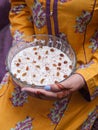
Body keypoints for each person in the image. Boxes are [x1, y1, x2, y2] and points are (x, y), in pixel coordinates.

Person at [0, 0, 98, 129]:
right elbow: (20, 5)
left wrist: (84, 77)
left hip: (81, 82)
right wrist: (25, 48)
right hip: (29, 68)